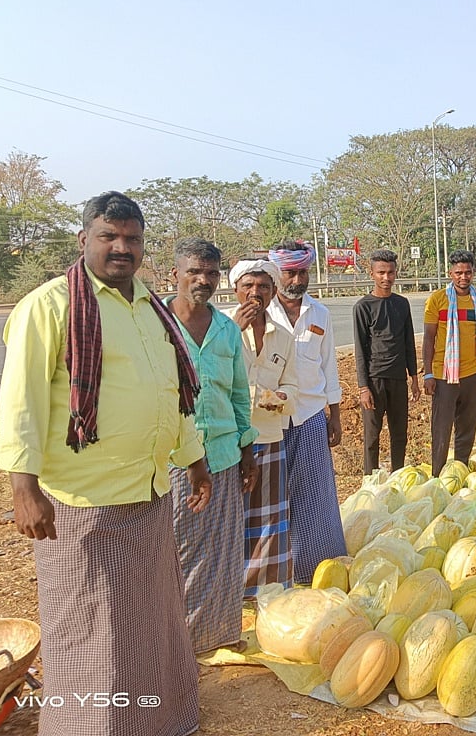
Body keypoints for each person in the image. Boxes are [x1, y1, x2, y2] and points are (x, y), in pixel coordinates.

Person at [0, 191, 210, 736]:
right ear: (83, 239)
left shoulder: (151, 307)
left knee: (150, 627)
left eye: (132, 238)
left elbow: (171, 394)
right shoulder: (49, 306)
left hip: (150, 495)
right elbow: (20, 402)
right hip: (83, 506)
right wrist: (24, 488)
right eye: (109, 236)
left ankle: (157, 725)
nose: (121, 248)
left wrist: (195, 461)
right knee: (92, 637)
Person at [167, 237, 259, 653]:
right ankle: (177, 642)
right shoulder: (156, 325)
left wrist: (247, 453)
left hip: (222, 456)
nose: (202, 280)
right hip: (171, 460)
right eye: (193, 272)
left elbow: (240, 395)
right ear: (176, 275)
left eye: (210, 273)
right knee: (175, 553)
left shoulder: (225, 330)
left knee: (222, 554)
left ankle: (217, 636)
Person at [267, 240, 347, 583]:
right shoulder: (261, 312)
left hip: (311, 414)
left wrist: (336, 415)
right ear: (276, 273)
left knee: (315, 495)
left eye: (302, 272)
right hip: (269, 419)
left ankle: (315, 571)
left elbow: (329, 367)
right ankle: (271, 575)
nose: (297, 279)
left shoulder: (320, 314)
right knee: (271, 497)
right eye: (289, 272)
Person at [228, 258, 299, 597]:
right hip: (227, 444)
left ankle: (264, 594)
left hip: (268, 437)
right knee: (230, 520)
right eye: (248, 286)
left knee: (269, 521)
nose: (255, 294)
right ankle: (229, 593)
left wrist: (275, 397)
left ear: (273, 292)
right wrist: (234, 332)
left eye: (263, 287)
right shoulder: (220, 330)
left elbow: (294, 388)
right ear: (235, 290)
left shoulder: (283, 337)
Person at [422, 250, 476, 477]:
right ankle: (438, 477)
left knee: (467, 429)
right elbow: (429, 338)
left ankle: (460, 473)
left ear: (473, 273)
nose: (463, 277)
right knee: (441, 430)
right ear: (450, 273)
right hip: (444, 375)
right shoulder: (437, 300)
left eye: (467, 272)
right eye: (458, 273)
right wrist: (428, 374)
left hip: (472, 374)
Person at [353, 249, 420, 475]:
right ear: (372, 273)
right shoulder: (363, 307)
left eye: (390, 272)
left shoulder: (402, 304)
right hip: (374, 380)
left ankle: (397, 477)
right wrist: (363, 387)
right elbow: (360, 350)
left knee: (399, 433)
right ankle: (369, 482)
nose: (386, 277)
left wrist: (414, 379)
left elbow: (408, 341)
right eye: (381, 272)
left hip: (398, 379)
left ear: (396, 273)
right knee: (372, 436)